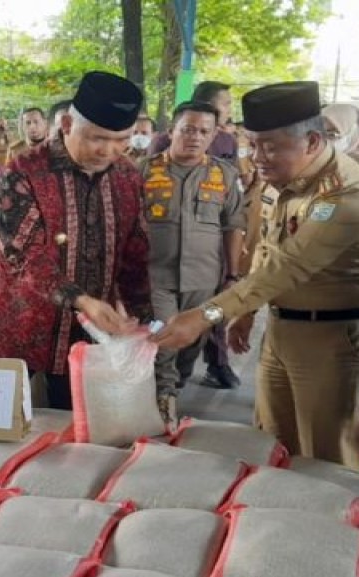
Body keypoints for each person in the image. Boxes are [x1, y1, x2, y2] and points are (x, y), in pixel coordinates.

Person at [151, 81, 359, 472]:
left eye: (270, 146)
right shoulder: (283, 178)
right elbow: (265, 249)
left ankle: (329, 532)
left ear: (313, 141)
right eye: (253, 144)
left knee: (327, 460)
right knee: (272, 446)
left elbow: (289, 266)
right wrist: (245, 313)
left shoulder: (345, 196)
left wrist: (205, 316)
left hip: (336, 342)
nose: (258, 156)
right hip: (283, 332)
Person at [0, 71, 153, 409]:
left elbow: (135, 254)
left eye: (121, 140)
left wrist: (142, 320)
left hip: (89, 339)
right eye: (98, 138)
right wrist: (83, 301)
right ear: (68, 124)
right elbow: (26, 258)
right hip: (15, 330)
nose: (110, 150)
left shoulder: (128, 177)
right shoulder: (22, 172)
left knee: (73, 446)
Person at [144, 101, 245, 425]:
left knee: (191, 343)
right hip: (155, 278)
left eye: (204, 131)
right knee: (162, 340)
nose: (195, 137)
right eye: (188, 129)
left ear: (214, 134)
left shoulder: (225, 175)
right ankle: (164, 400)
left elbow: (233, 227)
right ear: (172, 130)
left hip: (204, 280)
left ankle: (176, 388)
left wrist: (232, 276)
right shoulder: (143, 171)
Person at [322, 103, 359, 180]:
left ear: (354, 133)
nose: (324, 140)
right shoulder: (330, 159)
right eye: (320, 133)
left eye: (332, 135)